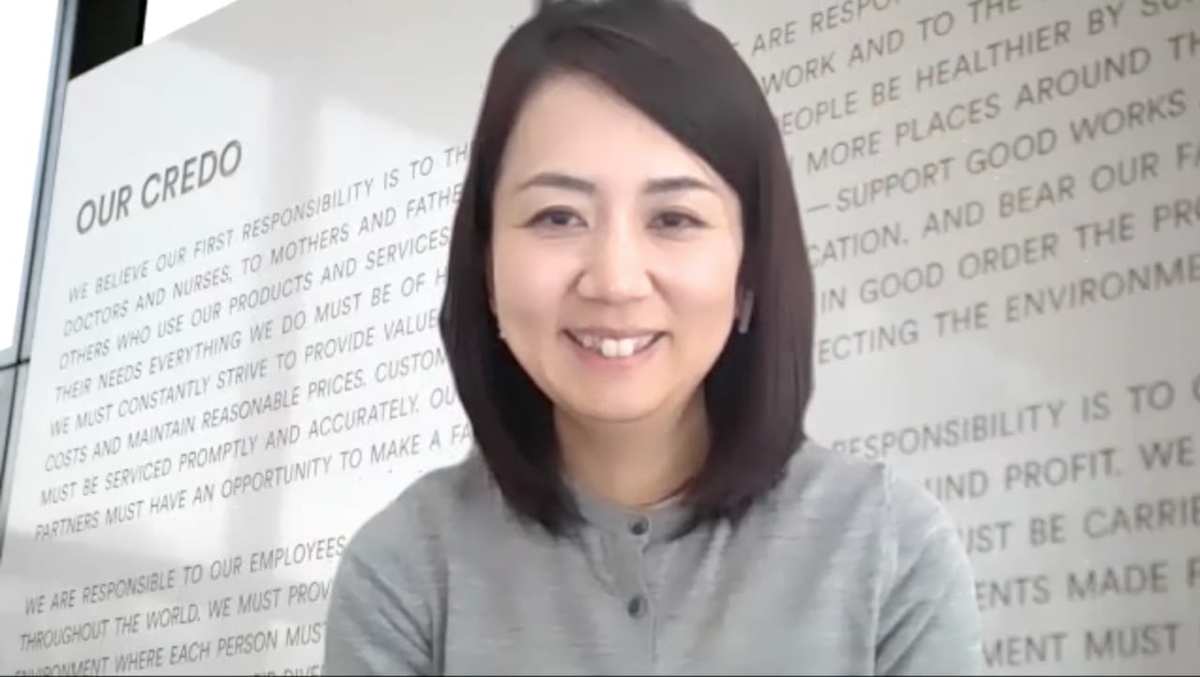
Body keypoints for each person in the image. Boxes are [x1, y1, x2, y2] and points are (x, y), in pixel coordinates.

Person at [324, 1, 982, 674]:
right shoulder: (405, 571)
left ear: (749, 271)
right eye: (557, 216)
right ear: (486, 265)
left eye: (673, 218)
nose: (615, 281)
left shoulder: (888, 547)